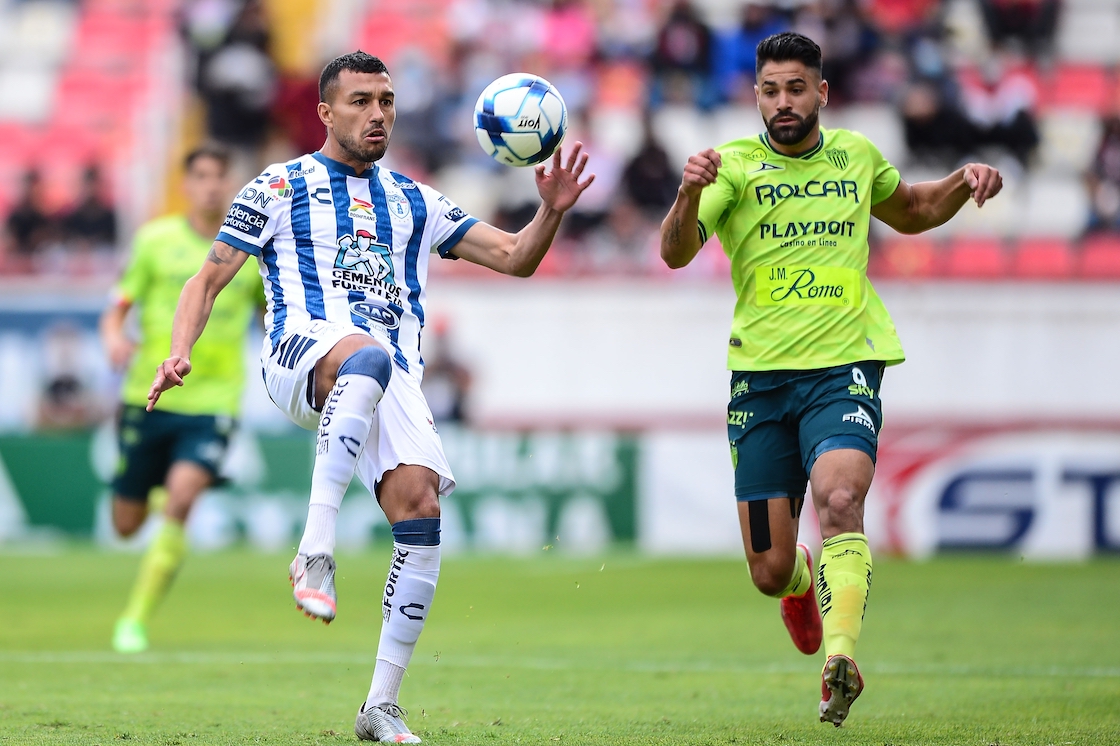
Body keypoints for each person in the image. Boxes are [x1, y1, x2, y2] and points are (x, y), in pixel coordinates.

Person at [146, 51, 593, 743]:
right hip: (305, 352)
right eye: (360, 101)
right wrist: (179, 352)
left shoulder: (416, 199)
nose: (377, 112)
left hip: (389, 376)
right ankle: (315, 547)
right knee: (365, 355)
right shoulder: (278, 185)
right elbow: (205, 281)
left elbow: (514, 257)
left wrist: (551, 212)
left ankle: (380, 703)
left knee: (420, 508)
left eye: (385, 99)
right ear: (325, 112)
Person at [658, 32, 1002, 727]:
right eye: (769, 89)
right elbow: (674, 252)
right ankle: (799, 579)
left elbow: (912, 211)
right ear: (756, 95)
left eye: (795, 88)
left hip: (845, 363)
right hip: (759, 378)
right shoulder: (731, 167)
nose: (782, 101)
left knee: (841, 498)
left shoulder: (856, 156)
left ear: (821, 92)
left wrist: (962, 184)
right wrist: (687, 193)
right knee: (767, 570)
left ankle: (839, 661)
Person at [100, 144, 263, 654]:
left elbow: (272, 316)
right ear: (187, 184)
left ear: (230, 185)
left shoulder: (249, 255)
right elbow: (118, 304)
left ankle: (134, 620)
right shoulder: (154, 240)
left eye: (221, 177)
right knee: (126, 526)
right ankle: (155, 489)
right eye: (202, 177)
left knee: (182, 500)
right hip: (145, 395)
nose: (212, 186)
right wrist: (112, 337)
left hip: (213, 401)